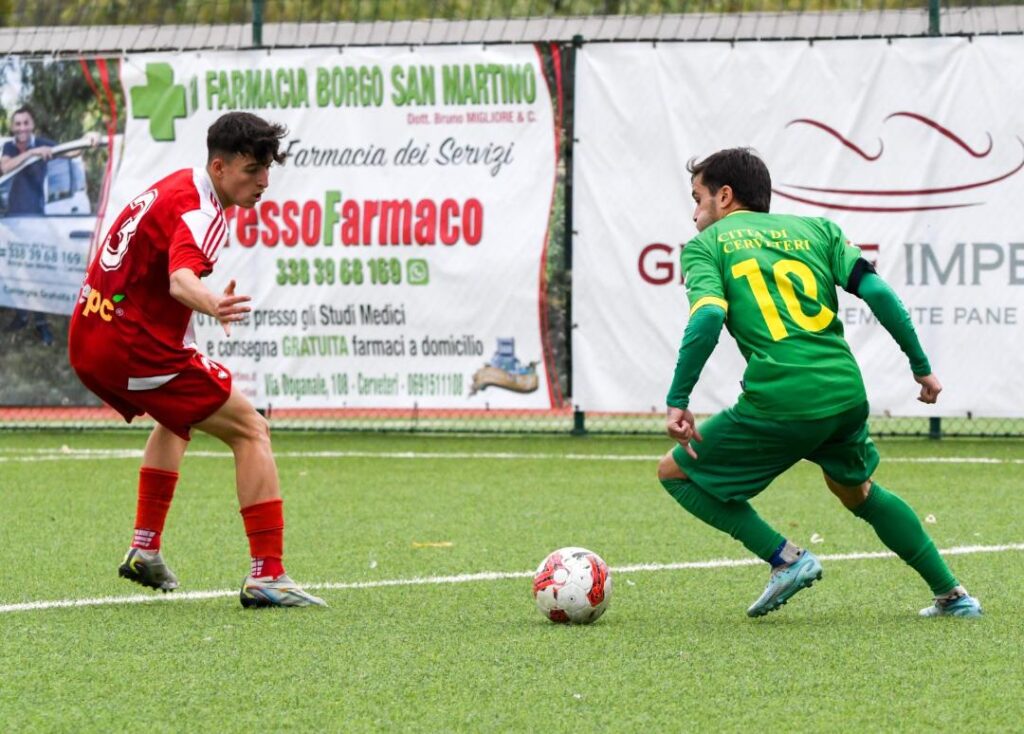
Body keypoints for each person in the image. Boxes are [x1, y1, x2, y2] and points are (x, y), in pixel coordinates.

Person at [657, 147, 981, 619]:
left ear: (724, 196)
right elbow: (877, 290)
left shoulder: (706, 247)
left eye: (697, 198)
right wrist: (920, 364)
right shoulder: (818, 230)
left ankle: (785, 558)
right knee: (857, 491)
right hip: (845, 392)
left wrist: (677, 399)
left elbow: (707, 317)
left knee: (675, 472)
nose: (694, 213)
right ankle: (954, 596)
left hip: (782, 397)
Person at [68, 111, 325, 608]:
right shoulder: (203, 213)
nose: (263, 182)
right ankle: (268, 574)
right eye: (253, 170)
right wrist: (213, 303)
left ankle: (145, 548)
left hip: (90, 333)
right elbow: (180, 280)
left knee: (176, 417)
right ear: (220, 167)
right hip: (130, 344)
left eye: (267, 170)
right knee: (252, 429)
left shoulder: (178, 185)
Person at [2, 105, 99, 345]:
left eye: (26, 123)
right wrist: (34, 153)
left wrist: (88, 139)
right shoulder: (10, 147)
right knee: (18, 269)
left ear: (32, 125)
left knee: (37, 271)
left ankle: (41, 323)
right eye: (18, 123)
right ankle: (21, 316)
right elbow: (5, 167)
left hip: (38, 217)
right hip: (13, 218)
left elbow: (70, 153)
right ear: (13, 127)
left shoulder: (43, 142)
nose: (22, 128)